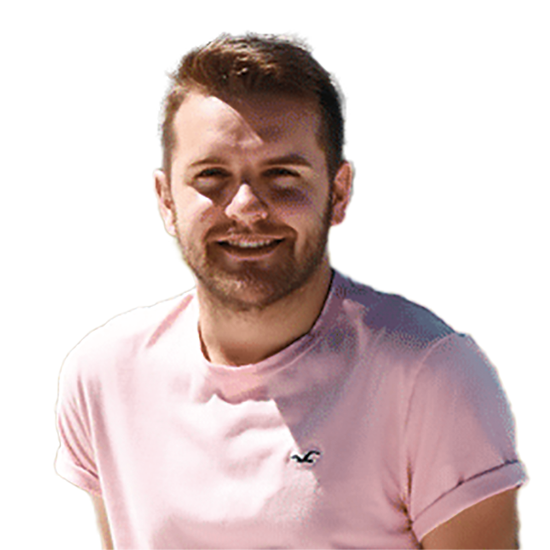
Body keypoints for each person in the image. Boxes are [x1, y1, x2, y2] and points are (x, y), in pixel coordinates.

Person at [55, 33, 528, 549]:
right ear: (166, 200)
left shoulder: (431, 377)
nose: (246, 207)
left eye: (282, 175)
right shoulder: (103, 375)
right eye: (211, 176)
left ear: (338, 194)